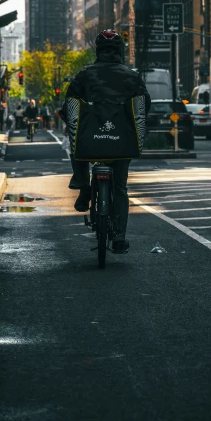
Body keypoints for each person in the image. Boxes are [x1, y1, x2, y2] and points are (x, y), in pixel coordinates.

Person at [61, 29, 150, 254]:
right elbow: (144, 105)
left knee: (76, 143)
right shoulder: (132, 76)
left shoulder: (84, 75)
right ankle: (119, 237)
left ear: (98, 51)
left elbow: (69, 106)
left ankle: (84, 188)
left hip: (91, 141)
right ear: (120, 51)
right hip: (123, 142)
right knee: (120, 187)